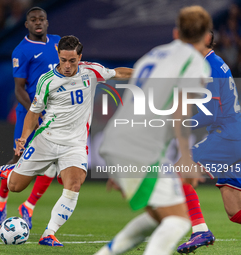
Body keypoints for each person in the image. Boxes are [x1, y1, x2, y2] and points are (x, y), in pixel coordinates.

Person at [0, 35, 133, 246]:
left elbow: (119, 73)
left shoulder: (92, 71)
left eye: (72, 61)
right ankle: (9, 172)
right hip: (46, 140)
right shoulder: (47, 80)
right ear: (58, 55)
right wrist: (23, 137)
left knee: (74, 184)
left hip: (74, 144)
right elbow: (33, 112)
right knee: (15, 186)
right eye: (63, 60)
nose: (67, 66)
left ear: (80, 57)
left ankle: (49, 233)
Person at [95, 5, 212, 255]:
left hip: (118, 138)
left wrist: (120, 159)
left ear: (175, 33)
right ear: (207, 38)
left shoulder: (152, 55)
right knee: (179, 219)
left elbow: (132, 101)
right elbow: (181, 110)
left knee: (159, 214)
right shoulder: (195, 63)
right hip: (142, 148)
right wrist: (186, 156)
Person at [0, 6, 61, 228]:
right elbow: (19, 89)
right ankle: (2, 197)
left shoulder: (58, 42)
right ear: (27, 24)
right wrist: (36, 110)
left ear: (47, 22)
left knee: (52, 162)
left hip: (54, 115)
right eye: (33, 19)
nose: (38, 22)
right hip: (29, 114)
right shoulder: (21, 51)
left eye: (42, 18)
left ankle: (28, 206)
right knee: (19, 162)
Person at [177, 31, 241, 253]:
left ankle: (200, 230)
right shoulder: (212, 62)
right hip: (232, 132)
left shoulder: (210, 66)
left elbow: (211, 115)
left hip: (227, 134)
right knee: (234, 210)